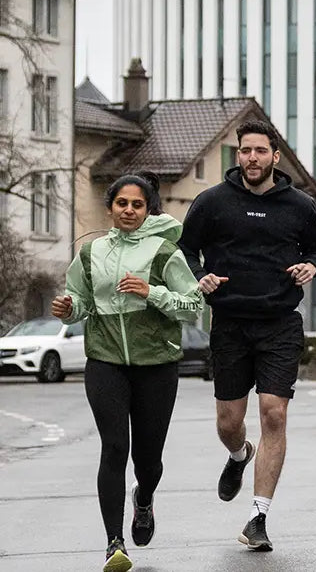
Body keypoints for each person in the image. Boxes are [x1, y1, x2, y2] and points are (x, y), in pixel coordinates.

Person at [179, 120, 316, 553]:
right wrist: (199, 276)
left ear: (274, 157)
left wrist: (312, 267)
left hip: (280, 322)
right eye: (245, 151)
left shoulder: (299, 206)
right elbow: (185, 248)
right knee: (229, 422)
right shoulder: (212, 202)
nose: (252, 158)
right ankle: (237, 455)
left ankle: (258, 517)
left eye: (260, 151)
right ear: (238, 155)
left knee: (274, 414)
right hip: (229, 323)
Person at [52, 173, 203, 572]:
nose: (129, 211)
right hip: (105, 361)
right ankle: (113, 543)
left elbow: (193, 307)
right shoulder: (90, 253)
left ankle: (145, 498)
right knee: (114, 447)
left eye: (137, 205)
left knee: (147, 460)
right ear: (110, 208)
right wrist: (70, 309)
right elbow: (82, 301)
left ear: (148, 209)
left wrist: (150, 291)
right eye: (122, 204)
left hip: (156, 364)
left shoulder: (164, 252)